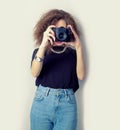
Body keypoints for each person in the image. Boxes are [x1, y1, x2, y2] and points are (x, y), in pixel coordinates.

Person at [30, 9, 85, 130]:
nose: (59, 33)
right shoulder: (40, 52)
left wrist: (78, 47)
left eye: (63, 30)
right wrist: (43, 45)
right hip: (42, 103)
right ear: (47, 30)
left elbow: (81, 76)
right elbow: (34, 73)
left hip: (67, 105)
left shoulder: (72, 53)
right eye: (55, 30)